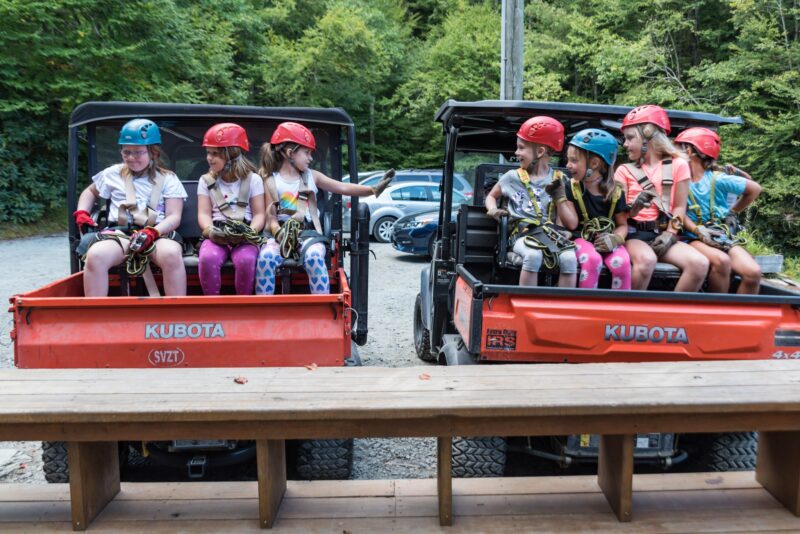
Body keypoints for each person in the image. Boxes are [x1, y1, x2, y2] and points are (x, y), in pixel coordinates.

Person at [255, 122, 395, 295]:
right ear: (290, 153)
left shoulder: (313, 177)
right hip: (279, 237)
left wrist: (372, 190)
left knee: (314, 256)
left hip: (307, 235)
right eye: (306, 153)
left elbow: (342, 187)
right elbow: (271, 220)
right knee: (265, 258)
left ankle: (322, 306)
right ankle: (263, 309)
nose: (310, 158)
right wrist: (280, 234)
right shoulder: (270, 181)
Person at [74, 119, 187, 297]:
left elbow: (174, 216)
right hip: (121, 234)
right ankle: (96, 315)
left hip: (157, 234)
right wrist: (82, 211)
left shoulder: (168, 179)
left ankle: (177, 312)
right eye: (126, 152)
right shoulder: (112, 173)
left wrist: (152, 233)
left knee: (172, 254)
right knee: (95, 256)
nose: (131, 157)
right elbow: (90, 192)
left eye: (138, 152)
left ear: (153, 152)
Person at [614, 105, 709, 291]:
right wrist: (633, 208)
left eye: (630, 138)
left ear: (648, 135)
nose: (625, 144)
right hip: (635, 234)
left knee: (699, 264)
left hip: (663, 233)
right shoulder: (624, 170)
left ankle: (672, 315)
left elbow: (679, 208)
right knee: (646, 261)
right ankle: (629, 315)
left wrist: (670, 234)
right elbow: (619, 216)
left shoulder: (678, 165)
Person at [484, 116, 578, 287]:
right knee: (534, 255)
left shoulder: (559, 179)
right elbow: (492, 196)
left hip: (550, 235)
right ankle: (527, 303)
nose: (516, 153)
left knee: (570, 258)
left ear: (540, 152)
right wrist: (492, 209)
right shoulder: (512, 177)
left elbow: (561, 213)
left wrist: (562, 229)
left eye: (521, 148)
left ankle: (563, 307)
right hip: (523, 235)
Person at [674, 127, 762, 294]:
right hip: (690, 237)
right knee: (721, 261)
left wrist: (732, 212)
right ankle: (716, 311)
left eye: (679, 147)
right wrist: (697, 230)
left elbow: (754, 189)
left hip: (719, 235)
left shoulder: (718, 179)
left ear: (690, 150)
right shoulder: (677, 180)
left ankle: (737, 317)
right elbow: (678, 212)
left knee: (753, 273)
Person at [196, 123, 266, 295]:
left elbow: (259, 214)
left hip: (244, 232)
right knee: (207, 258)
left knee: (246, 260)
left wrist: (249, 232)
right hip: (217, 232)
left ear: (232, 156)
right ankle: (213, 306)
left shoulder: (253, 180)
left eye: (215, 154)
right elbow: (204, 213)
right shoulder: (206, 181)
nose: (209, 158)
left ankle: (243, 307)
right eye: (208, 153)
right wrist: (210, 231)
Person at [560, 129, 631, 289]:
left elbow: (622, 225)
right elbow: (571, 225)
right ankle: (584, 308)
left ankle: (619, 308)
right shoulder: (570, 187)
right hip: (579, 238)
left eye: (573, 160)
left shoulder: (616, 192)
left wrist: (616, 239)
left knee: (622, 262)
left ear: (594, 163)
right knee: (592, 260)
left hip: (607, 240)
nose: (567, 165)